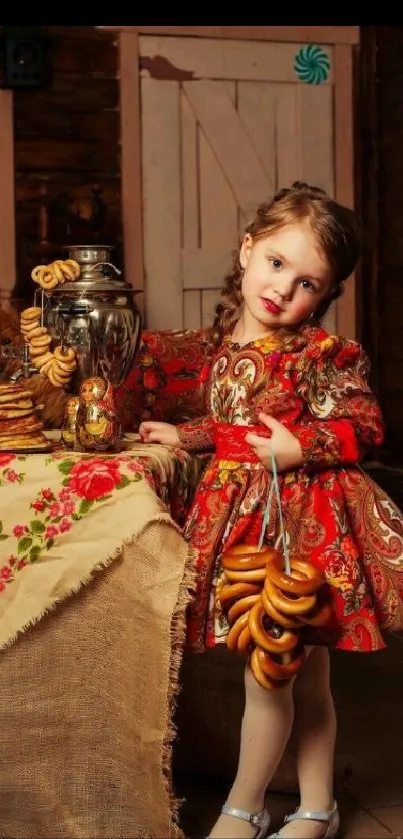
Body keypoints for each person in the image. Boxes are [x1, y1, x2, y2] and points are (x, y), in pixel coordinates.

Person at [139, 182, 403, 839]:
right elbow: (232, 418)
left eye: (306, 282)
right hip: (240, 522)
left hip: (300, 525)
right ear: (248, 248)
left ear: (324, 294)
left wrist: (302, 445)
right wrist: (187, 436)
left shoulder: (322, 355)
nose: (283, 289)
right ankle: (317, 805)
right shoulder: (226, 346)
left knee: (272, 668)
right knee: (300, 677)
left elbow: (368, 426)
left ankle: (244, 806)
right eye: (276, 263)